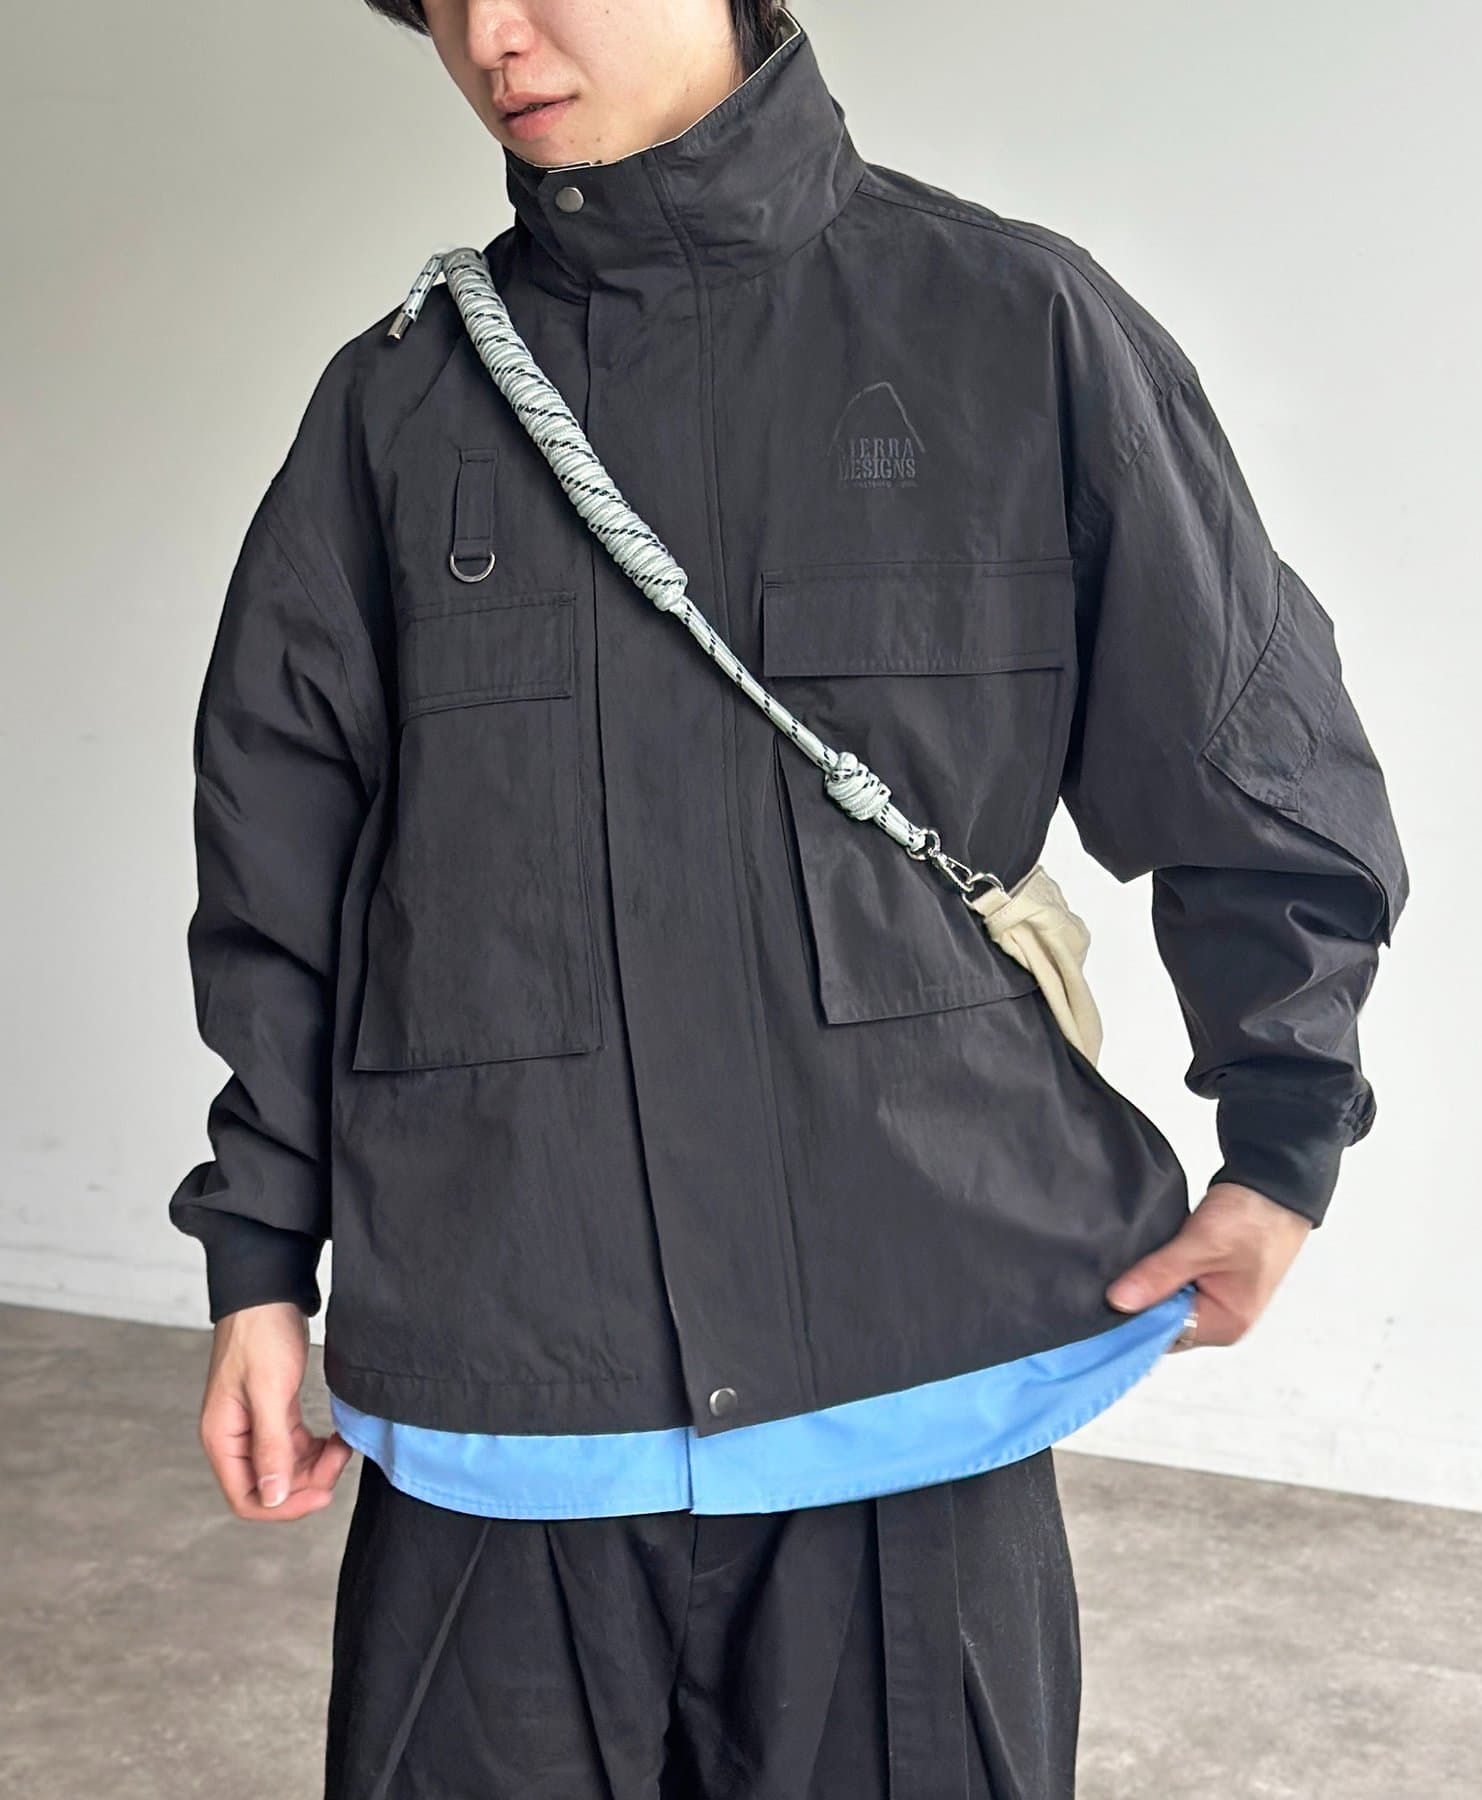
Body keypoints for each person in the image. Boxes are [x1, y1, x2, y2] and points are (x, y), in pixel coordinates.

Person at [170, 3, 1409, 1794]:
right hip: (511, 1386)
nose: (491, 34)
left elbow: (1248, 757)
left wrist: (1283, 1143)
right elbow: (280, 866)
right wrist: (259, 1267)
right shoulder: (397, 406)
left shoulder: (1011, 326)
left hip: (917, 1361)